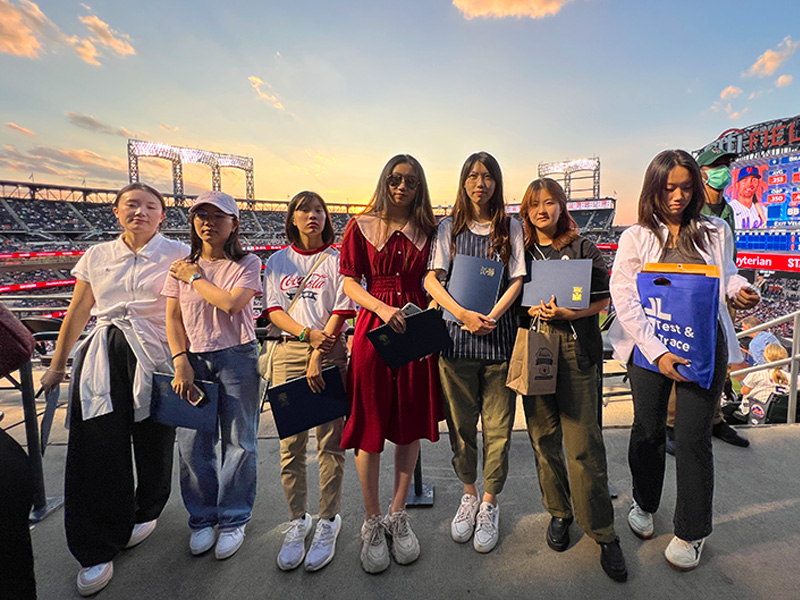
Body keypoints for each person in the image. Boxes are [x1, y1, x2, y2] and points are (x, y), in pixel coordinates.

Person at [608, 149, 759, 571]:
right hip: (650, 346)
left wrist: (739, 289)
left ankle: (692, 531)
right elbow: (624, 297)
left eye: (685, 187)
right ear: (653, 189)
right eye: (668, 187)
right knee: (648, 431)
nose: (677, 196)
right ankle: (644, 500)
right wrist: (657, 351)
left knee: (693, 440)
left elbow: (726, 274)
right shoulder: (635, 236)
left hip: (701, 346)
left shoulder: (714, 230)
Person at [39, 182, 188, 596]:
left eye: (149, 206)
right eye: (131, 205)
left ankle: (148, 506)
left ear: (162, 215)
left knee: (155, 438)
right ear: (116, 211)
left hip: (157, 354)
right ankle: (96, 543)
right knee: (97, 446)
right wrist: (57, 364)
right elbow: (78, 311)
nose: (140, 212)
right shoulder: (98, 255)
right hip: (103, 354)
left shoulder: (177, 253)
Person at [516, 178, 627, 582]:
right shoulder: (522, 251)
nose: (542, 210)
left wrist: (571, 314)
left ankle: (603, 531)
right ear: (526, 212)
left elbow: (603, 299)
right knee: (543, 439)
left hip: (575, 347)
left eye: (550, 203)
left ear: (563, 207)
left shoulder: (583, 248)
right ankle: (560, 512)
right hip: (535, 343)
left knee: (584, 445)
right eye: (534, 205)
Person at [339, 154, 442, 574]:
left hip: (416, 326)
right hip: (374, 327)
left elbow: (439, 276)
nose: (402, 187)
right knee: (370, 423)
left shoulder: (431, 230)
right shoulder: (360, 225)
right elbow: (349, 281)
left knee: (410, 422)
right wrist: (382, 308)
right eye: (396, 179)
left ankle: (399, 514)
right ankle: (372, 519)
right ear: (385, 181)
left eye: (411, 182)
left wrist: (428, 308)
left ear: (420, 188)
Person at [423, 151, 524, 554]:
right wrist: (463, 314)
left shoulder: (510, 226)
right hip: (456, 342)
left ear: (496, 183)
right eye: (473, 176)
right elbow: (433, 279)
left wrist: (491, 316)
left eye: (487, 176)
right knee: (462, 429)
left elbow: (517, 278)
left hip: (499, 343)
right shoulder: (449, 227)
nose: (480, 183)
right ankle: (468, 494)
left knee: (498, 431)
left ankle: (489, 502)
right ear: (464, 182)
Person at [164, 190, 262, 561]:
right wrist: (179, 359)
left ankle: (234, 518)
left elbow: (231, 303)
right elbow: (173, 318)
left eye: (217, 216)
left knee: (239, 440)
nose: (207, 222)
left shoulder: (246, 263)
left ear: (234, 224)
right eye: (200, 215)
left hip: (236, 355)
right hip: (193, 358)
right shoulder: (180, 265)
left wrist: (194, 278)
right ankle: (202, 518)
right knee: (192, 442)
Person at [263, 191, 356, 572]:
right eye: (304, 210)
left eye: (318, 210)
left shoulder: (337, 259)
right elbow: (272, 311)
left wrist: (319, 351)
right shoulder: (276, 260)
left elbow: (341, 310)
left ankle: (328, 520)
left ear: (326, 218)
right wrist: (306, 337)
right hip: (288, 350)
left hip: (330, 351)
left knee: (330, 442)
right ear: (293, 218)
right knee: (291, 446)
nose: (312, 216)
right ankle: (297, 520)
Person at [666, 147, 749, 452]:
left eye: (727, 165)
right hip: (690, 294)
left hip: (722, 290)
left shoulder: (726, 209)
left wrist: (738, 288)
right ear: (700, 171)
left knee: (719, 361)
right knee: (685, 357)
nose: (723, 171)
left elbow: (729, 262)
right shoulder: (693, 207)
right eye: (716, 165)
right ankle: (673, 424)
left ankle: (714, 418)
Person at [737, 344, 792, 417]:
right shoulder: (792, 377)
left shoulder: (757, 373)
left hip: (758, 413)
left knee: (745, 395)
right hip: (782, 414)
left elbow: (744, 391)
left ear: (765, 357)